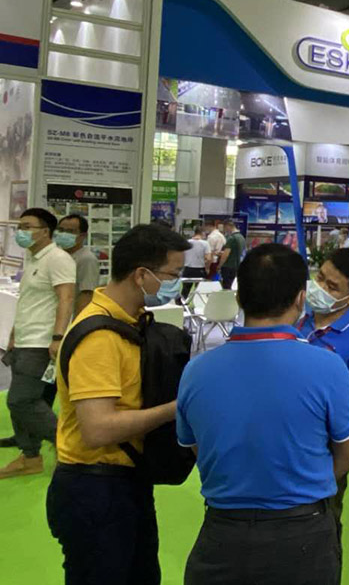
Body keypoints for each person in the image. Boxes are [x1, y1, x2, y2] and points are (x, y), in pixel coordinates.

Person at [178, 244, 349, 585]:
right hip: (303, 532)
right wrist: (306, 484)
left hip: (222, 533)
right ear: (300, 299)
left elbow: (197, 449)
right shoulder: (328, 367)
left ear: (239, 297)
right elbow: (348, 452)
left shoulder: (195, 371)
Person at [47, 223, 189, 584]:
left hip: (125, 483)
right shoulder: (99, 337)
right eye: (172, 275)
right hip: (94, 489)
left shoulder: (128, 324)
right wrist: (175, 409)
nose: (176, 283)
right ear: (141, 275)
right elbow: (98, 428)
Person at [297, 247, 349, 543]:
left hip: (323, 452)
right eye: (319, 277)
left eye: (331, 286)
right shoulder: (298, 314)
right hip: (279, 441)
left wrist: (328, 419)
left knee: (321, 527)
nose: (319, 287)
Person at [0, 208, 76, 478]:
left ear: (45, 231)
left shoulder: (58, 259)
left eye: (27, 226)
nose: (21, 231)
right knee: (19, 400)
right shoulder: (33, 258)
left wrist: (57, 337)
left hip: (41, 342)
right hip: (24, 339)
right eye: (20, 226)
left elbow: (66, 299)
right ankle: (30, 456)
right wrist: (13, 335)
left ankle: (68, 446)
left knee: (22, 400)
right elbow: (29, 302)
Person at [56, 214, 100, 317]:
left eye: (70, 231)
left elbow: (86, 295)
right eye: (61, 230)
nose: (64, 234)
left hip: (70, 317)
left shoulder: (86, 259)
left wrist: (77, 323)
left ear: (82, 236)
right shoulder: (58, 255)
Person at [180, 227, 212, 300]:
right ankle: (198, 302)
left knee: (185, 289)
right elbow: (208, 258)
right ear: (202, 233)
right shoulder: (205, 243)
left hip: (188, 269)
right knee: (200, 289)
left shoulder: (187, 242)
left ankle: (182, 302)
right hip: (199, 269)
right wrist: (207, 268)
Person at [217, 220, 245, 291]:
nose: (225, 230)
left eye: (224, 228)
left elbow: (226, 254)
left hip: (228, 266)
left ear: (228, 226)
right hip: (237, 265)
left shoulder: (231, 238)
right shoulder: (241, 237)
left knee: (226, 287)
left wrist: (219, 265)